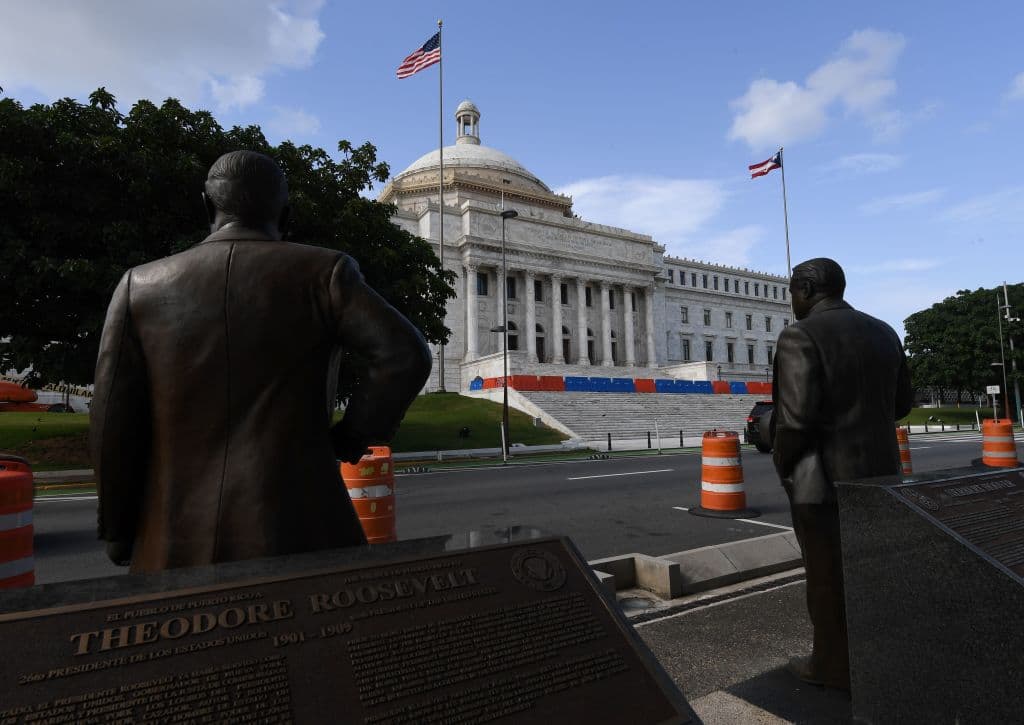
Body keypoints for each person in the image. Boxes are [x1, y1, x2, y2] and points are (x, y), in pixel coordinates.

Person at [91, 150, 432, 573]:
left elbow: (112, 423)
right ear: (285, 214)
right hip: (304, 525)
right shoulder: (324, 272)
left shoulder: (136, 286)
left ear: (207, 206)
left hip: (172, 537)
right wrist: (351, 437)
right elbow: (405, 354)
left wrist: (120, 528)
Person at [771, 257, 912, 692]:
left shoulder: (800, 335)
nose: (793, 301)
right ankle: (875, 653)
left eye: (793, 292)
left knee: (827, 577)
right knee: (870, 573)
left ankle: (831, 664)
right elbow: (902, 405)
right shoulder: (884, 332)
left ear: (807, 290)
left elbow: (795, 422)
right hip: (880, 475)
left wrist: (782, 462)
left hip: (822, 482)